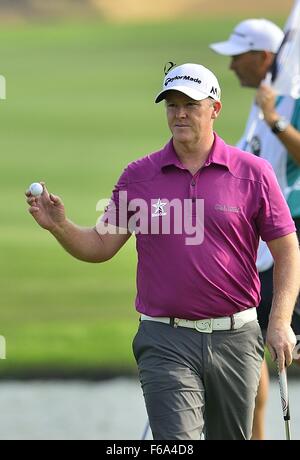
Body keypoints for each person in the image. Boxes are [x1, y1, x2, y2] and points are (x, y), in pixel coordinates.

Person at [25, 63, 300, 440]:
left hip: (236, 337)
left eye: (190, 103)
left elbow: (287, 249)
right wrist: (60, 226)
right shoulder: (140, 176)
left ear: (214, 108)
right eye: (172, 104)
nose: (179, 113)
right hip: (165, 339)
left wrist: (281, 320)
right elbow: (100, 244)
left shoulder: (253, 173)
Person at [210, 18, 300, 440]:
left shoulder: (288, 96)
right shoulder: (262, 97)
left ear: (265, 56)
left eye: (237, 56)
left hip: (291, 232)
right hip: (256, 243)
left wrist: (276, 120)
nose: (231, 67)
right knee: (249, 343)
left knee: (282, 343)